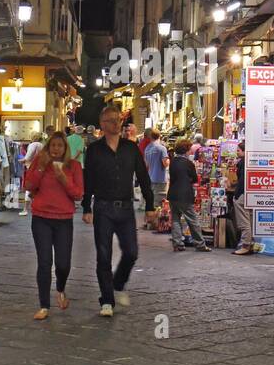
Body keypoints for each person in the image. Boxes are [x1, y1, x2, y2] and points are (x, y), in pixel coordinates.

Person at [82, 103, 154, 317]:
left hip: (125, 207)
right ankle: (106, 300)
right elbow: (89, 180)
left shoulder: (130, 148)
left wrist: (150, 205)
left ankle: (118, 283)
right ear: (102, 124)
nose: (116, 124)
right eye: (111, 121)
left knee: (131, 252)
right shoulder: (94, 150)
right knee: (103, 255)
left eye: (118, 120)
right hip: (103, 207)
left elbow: (142, 176)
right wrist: (87, 207)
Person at [23, 130, 84, 320]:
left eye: (60, 146)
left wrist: (63, 178)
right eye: (53, 146)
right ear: (48, 147)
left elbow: (78, 194)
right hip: (41, 218)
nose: (56, 149)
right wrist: (41, 167)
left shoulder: (73, 166)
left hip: (64, 220)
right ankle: (44, 305)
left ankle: (60, 288)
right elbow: (28, 185)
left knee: (63, 263)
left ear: (65, 148)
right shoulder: (40, 163)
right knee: (44, 261)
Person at [169, 140, 211, 254]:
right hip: (185, 195)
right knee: (193, 221)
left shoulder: (172, 162)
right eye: (189, 150)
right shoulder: (188, 164)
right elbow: (194, 178)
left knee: (175, 219)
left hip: (173, 194)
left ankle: (177, 244)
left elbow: (172, 177)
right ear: (187, 150)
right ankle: (200, 244)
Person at [143, 130, 169, 228]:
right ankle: (156, 224)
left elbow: (146, 164)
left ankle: (147, 222)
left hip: (150, 178)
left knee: (150, 201)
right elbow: (165, 163)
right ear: (160, 136)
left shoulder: (147, 148)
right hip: (160, 179)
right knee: (158, 203)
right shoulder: (161, 148)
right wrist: (169, 161)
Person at [231, 139, 253, 255]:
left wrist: (237, 195)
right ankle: (250, 243)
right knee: (249, 219)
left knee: (244, 221)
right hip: (248, 194)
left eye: (239, 150)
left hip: (241, 195)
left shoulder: (242, 162)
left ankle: (245, 245)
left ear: (244, 151)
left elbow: (241, 180)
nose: (237, 152)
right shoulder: (249, 162)